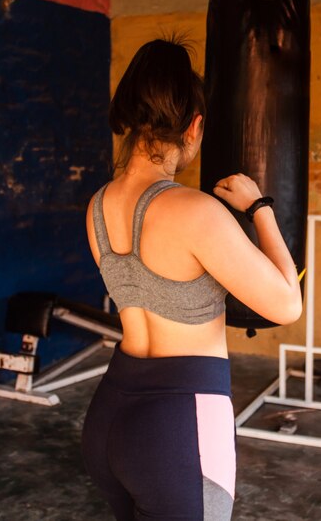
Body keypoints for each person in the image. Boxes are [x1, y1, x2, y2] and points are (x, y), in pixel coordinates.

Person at [81, 35, 302, 521]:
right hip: (177, 427)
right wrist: (259, 206)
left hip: (109, 415)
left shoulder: (97, 206)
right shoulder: (195, 211)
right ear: (194, 126)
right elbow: (288, 304)